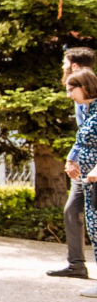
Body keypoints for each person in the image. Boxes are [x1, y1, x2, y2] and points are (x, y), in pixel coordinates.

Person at [49, 47, 96, 279]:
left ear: (75, 66)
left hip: (94, 170)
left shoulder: (88, 96)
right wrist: (72, 158)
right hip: (83, 168)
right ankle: (76, 264)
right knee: (72, 211)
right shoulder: (79, 96)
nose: (63, 67)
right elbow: (82, 135)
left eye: (64, 63)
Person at [63, 69, 97, 297]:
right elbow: (81, 140)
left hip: (95, 179)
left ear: (84, 86)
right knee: (94, 229)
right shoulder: (87, 110)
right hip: (88, 181)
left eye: (71, 89)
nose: (69, 95)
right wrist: (72, 159)